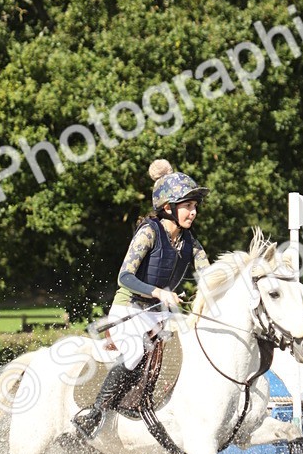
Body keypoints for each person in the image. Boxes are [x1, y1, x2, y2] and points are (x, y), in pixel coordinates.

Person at [73, 159, 210, 439]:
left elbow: (209, 275)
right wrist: (159, 292)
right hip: (129, 310)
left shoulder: (190, 243)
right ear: (168, 207)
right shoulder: (149, 232)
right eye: (187, 206)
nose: (193, 212)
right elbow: (125, 277)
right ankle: (95, 413)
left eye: (195, 206)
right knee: (135, 352)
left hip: (160, 316)